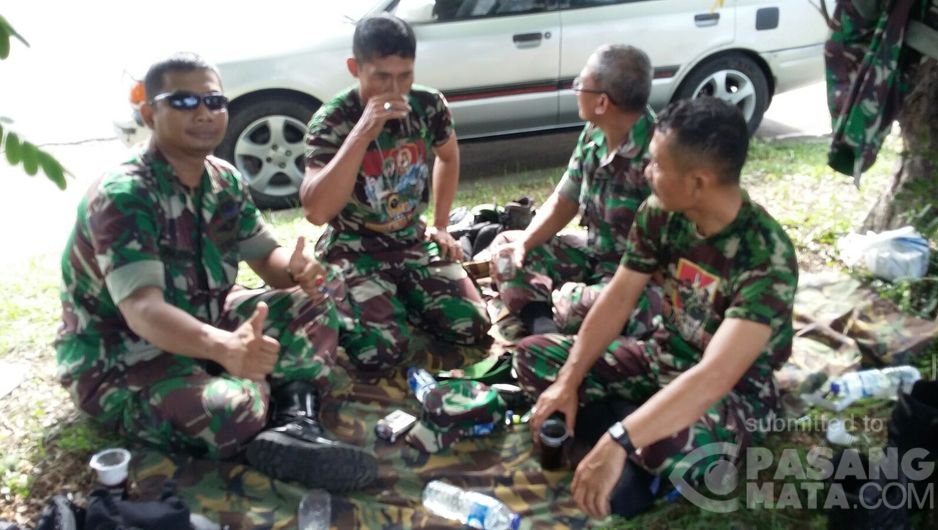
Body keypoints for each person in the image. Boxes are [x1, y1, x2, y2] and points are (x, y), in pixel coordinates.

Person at [55, 53, 377, 491]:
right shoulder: (125, 193)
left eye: (214, 101)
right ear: (149, 114)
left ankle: (294, 423)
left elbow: (266, 258)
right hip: (124, 356)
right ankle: (265, 402)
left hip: (207, 318)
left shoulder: (224, 179)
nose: (204, 113)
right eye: (184, 102)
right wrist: (224, 348)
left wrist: (297, 268)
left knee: (317, 298)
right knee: (231, 414)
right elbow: (142, 311)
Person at [519, 97, 799, 519]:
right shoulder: (660, 214)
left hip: (732, 394)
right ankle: (631, 435)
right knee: (535, 357)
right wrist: (567, 380)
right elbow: (618, 299)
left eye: (657, 164)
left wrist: (618, 438)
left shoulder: (766, 257)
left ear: (698, 182)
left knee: (678, 447)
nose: (647, 172)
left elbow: (714, 377)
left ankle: (625, 438)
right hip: (662, 356)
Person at [301, 14, 490, 371]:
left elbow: (448, 156)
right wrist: (362, 132)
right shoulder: (333, 120)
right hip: (354, 247)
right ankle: (354, 297)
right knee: (379, 351)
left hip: (410, 239)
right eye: (382, 77)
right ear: (355, 68)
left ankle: (399, 298)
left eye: (405, 76)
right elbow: (316, 211)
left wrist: (441, 225)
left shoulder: (427, 105)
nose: (395, 89)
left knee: (472, 325)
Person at [489, 44, 657, 338]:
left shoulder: (659, 154)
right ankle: (545, 327)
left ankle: (552, 321)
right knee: (508, 248)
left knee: (581, 303)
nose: (576, 90)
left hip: (637, 278)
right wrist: (524, 244)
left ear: (602, 102)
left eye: (581, 84)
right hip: (595, 255)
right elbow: (564, 201)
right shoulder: (594, 133)